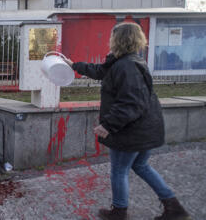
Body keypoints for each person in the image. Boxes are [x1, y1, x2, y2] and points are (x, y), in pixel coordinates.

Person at [64, 22, 190, 220]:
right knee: (141, 166)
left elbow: (131, 103)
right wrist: (74, 65)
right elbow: (100, 71)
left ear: (118, 40)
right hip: (144, 128)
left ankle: (119, 212)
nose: (109, 41)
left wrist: (108, 124)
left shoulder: (127, 66)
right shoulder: (124, 61)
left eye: (112, 37)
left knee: (119, 170)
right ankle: (174, 207)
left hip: (132, 131)